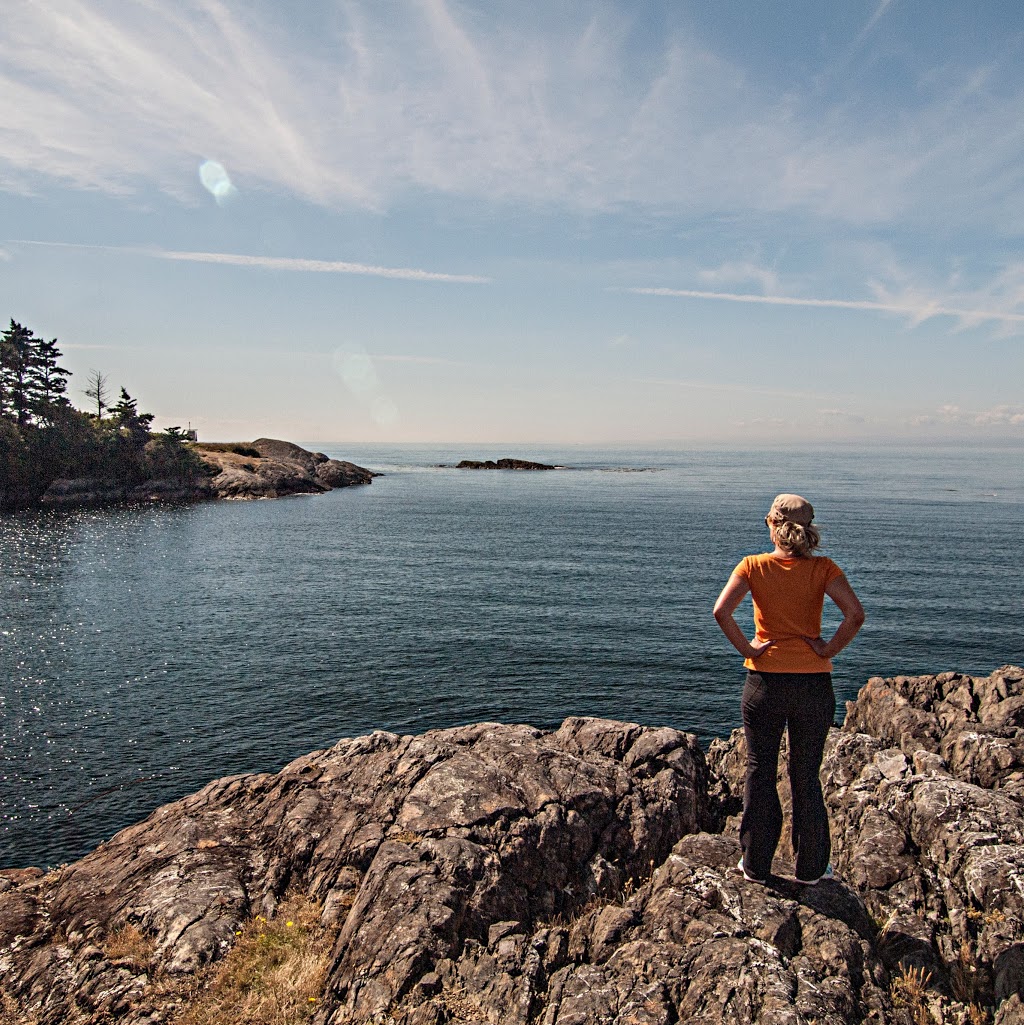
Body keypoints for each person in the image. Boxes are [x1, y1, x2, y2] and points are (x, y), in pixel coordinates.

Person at [713, 494, 865, 885]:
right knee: (805, 774)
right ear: (809, 529)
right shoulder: (824, 569)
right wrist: (827, 649)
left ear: (771, 524)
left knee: (760, 770)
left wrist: (749, 649)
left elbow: (721, 612)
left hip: (765, 682)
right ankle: (811, 869)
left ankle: (756, 865)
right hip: (813, 684)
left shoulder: (753, 566)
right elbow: (855, 614)